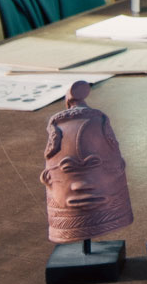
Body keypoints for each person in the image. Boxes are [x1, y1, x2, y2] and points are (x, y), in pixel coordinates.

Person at [42, 80, 134, 243]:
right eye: (69, 169)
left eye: (93, 165)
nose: (81, 185)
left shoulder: (98, 123)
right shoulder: (62, 126)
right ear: (47, 178)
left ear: (120, 167)